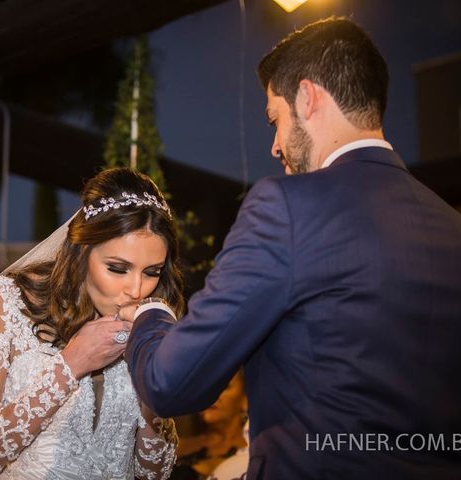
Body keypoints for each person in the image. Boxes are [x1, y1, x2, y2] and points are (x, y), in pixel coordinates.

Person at [121, 16, 461, 480]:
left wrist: (150, 314)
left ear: (308, 97)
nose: (276, 146)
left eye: (274, 119)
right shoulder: (451, 224)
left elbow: (171, 383)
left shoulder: (287, 207)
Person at [0, 167, 185, 479]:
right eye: (117, 268)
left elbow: (153, 474)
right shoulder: (1, 302)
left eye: (152, 271)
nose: (136, 289)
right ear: (81, 253)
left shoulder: (150, 322)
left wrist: (152, 392)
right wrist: (71, 364)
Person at [172, 372, 248, 479]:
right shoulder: (175, 445)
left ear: (245, 399)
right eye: (207, 387)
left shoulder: (253, 452)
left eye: (225, 387)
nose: (212, 395)